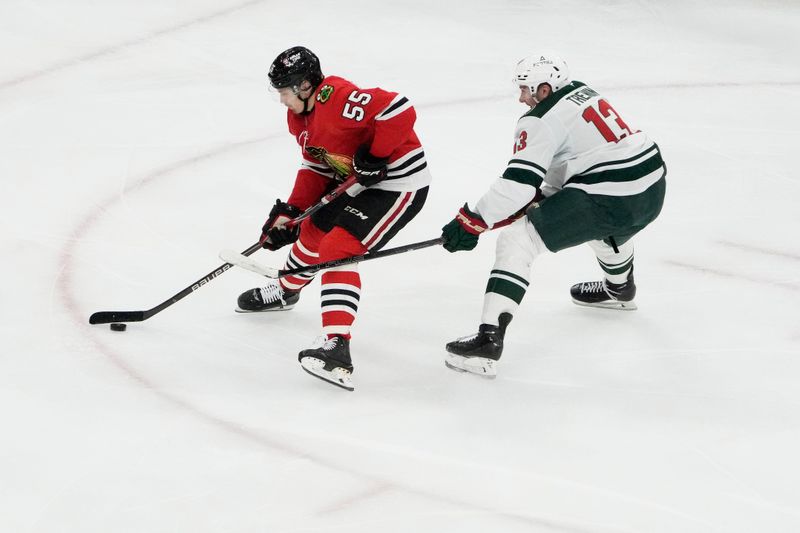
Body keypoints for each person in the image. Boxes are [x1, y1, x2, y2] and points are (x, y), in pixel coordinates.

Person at [440, 53, 666, 378]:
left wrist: (471, 220)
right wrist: (540, 198)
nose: (521, 98)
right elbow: (576, 163)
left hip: (609, 192)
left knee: (518, 240)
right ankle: (620, 289)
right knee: (603, 225)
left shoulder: (539, 119)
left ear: (545, 89)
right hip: (653, 185)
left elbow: (518, 185)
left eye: (526, 89)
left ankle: (488, 342)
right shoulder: (580, 91)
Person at [237, 46, 431, 391]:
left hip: (396, 185)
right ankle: (286, 290)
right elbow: (316, 165)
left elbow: (399, 109)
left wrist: (376, 155)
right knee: (311, 232)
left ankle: (337, 347)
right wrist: (292, 212)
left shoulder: (337, 98)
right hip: (353, 181)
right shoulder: (298, 117)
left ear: (306, 86)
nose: (282, 100)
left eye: (284, 91)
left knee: (338, 247)